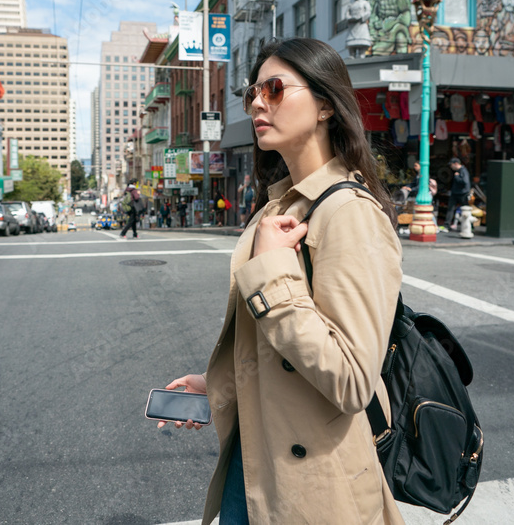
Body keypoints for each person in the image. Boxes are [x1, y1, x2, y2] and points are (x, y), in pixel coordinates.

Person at [158, 38, 404, 524]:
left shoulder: (350, 213)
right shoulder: (281, 207)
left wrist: (271, 272)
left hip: (312, 491)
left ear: (326, 105)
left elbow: (353, 380)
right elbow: (278, 350)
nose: (255, 103)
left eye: (273, 89)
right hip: (253, 466)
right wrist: (217, 383)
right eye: (253, 92)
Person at [445, 158, 471, 229]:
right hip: (456, 192)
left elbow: (465, 182)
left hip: (462, 193)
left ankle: (469, 225)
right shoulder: (460, 171)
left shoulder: (463, 171)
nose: (451, 167)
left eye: (451, 165)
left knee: (465, 209)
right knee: (451, 208)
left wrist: (457, 177)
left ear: (456, 163)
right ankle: (447, 225)